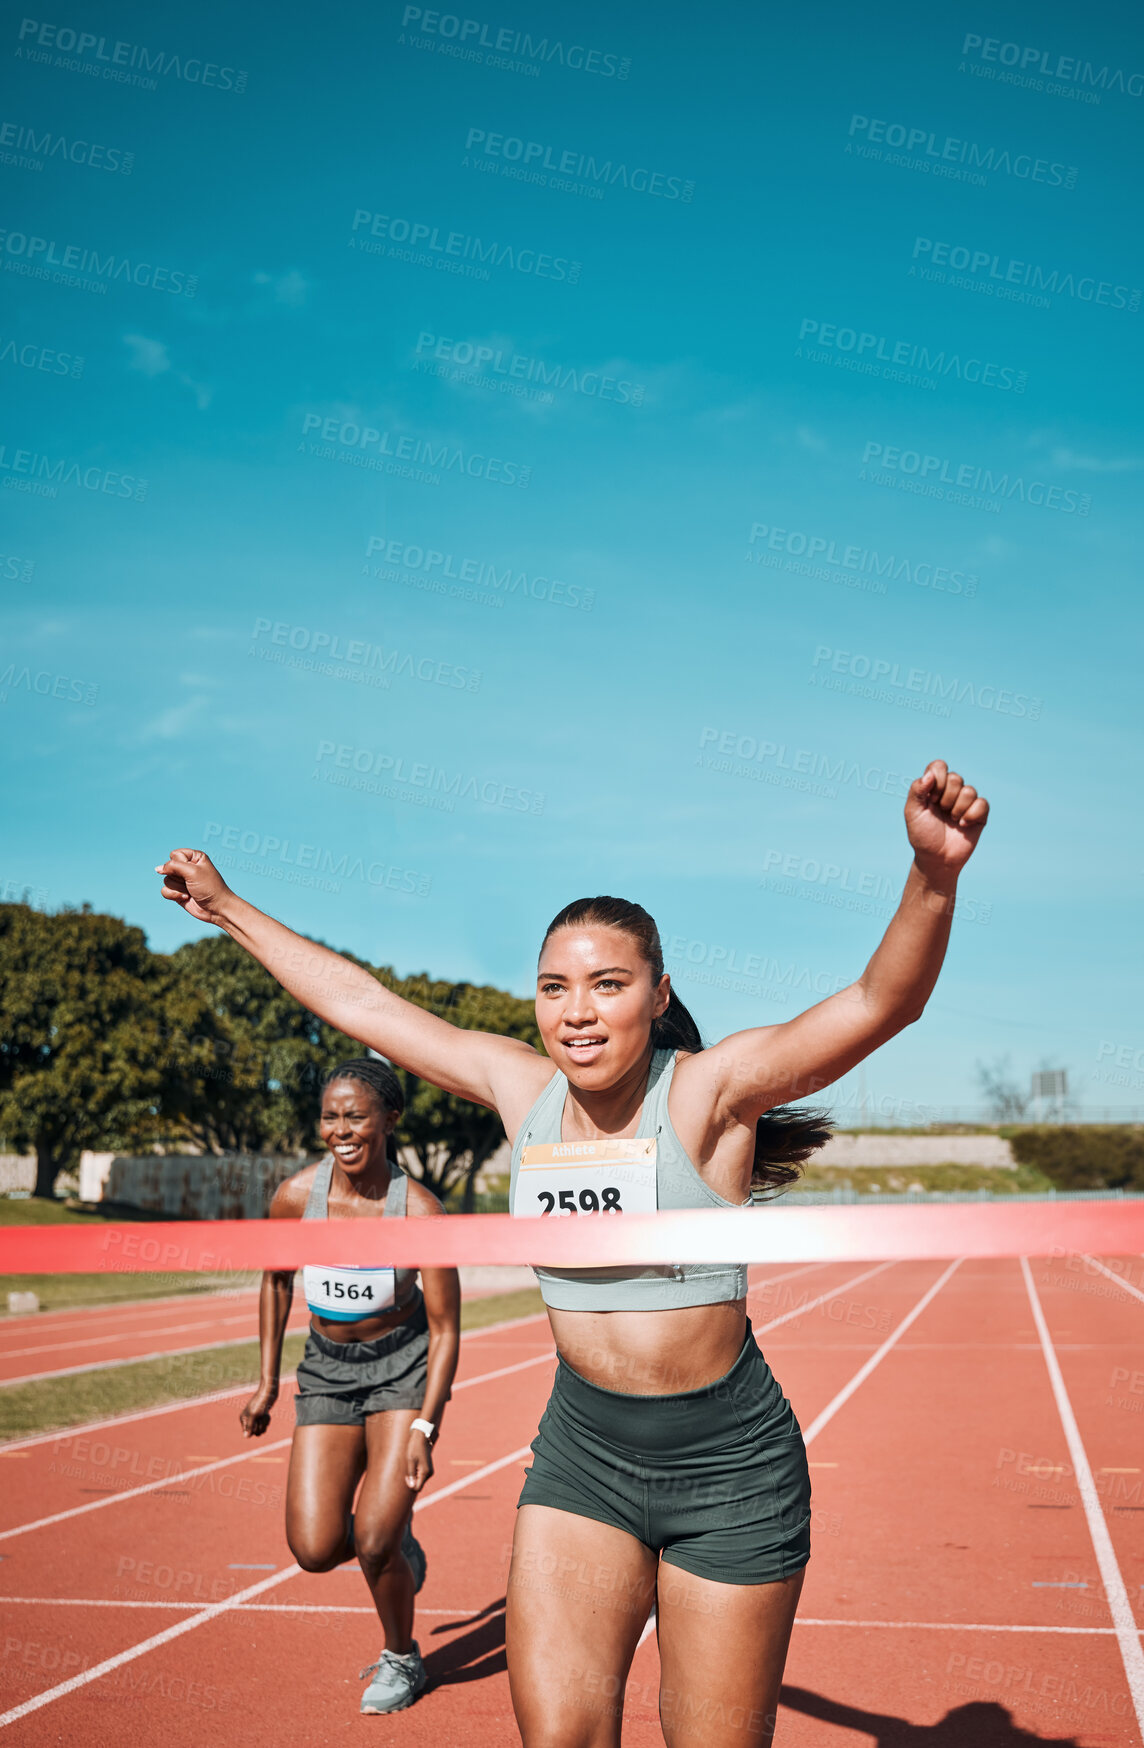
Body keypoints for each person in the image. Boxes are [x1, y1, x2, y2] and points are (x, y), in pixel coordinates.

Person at [159, 757, 988, 1745]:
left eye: (606, 983)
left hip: (729, 1466)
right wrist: (229, 908)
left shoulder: (709, 1091)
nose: (577, 1009)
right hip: (584, 1457)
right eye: (554, 987)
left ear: (656, 992)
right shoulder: (522, 1090)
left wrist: (931, 876)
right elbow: (368, 1008)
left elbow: (876, 1003)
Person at [238, 1055, 460, 1716]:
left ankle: (401, 1657)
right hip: (328, 1372)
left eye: (355, 1115)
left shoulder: (418, 1208)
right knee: (311, 1549)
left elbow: (446, 1329)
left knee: (371, 1541)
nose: (341, 1128)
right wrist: (266, 1386)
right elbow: (276, 1281)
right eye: (330, 1115)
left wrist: (426, 1424)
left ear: (389, 1119)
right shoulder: (293, 1198)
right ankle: (394, 1539)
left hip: (403, 1367)